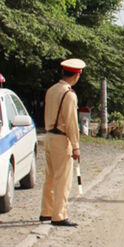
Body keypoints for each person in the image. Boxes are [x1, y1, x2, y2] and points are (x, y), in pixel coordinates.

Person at [40, 58, 86, 227]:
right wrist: (76, 147)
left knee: (49, 177)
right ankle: (59, 215)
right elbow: (71, 123)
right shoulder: (69, 95)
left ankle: (46, 211)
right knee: (63, 178)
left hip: (49, 136)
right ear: (76, 76)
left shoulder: (51, 90)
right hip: (61, 139)